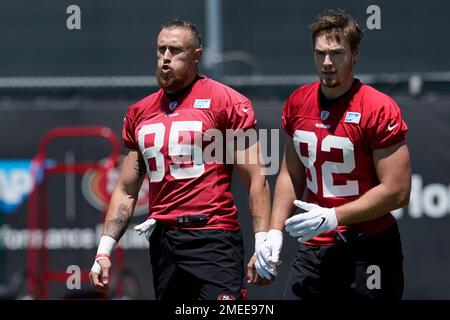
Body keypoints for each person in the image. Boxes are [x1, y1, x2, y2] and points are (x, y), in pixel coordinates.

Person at [89, 20, 271, 300]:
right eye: (161, 49)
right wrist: (104, 250)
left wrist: (262, 242)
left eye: (175, 50)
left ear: (196, 56)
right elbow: (127, 190)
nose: (165, 58)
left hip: (213, 237)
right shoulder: (140, 111)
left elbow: (256, 178)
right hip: (164, 242)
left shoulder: (225, 102)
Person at [255, 9, 411, 299]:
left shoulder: (378, 107)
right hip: (315, 249)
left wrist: (334, 215)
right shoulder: (299, 102)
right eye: (320, 53)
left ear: (355, 54)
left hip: (369, 249)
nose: (327, 63)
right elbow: (292, 172)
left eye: (336, 53)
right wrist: (274, 232)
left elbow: (397, 191)